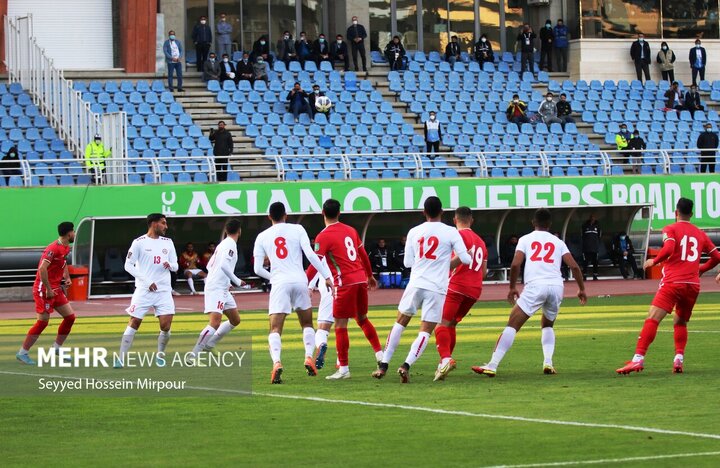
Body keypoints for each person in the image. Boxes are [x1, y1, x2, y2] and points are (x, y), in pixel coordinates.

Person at [472, 208, 586, 377]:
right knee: (547, 325)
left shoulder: (526, 239)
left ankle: (493, 364)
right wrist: (581, 289)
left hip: (536, 286)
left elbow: (516, 264)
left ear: (533, 223)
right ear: (550, 224)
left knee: (512, 324)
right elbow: (574, 266)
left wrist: (512, 287)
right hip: (556, 286)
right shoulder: (558, 242)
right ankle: (548, 362)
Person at [372, 196, 472, 383]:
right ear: (442, 212)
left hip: (416, 283)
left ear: (424, 212)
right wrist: (452, 259)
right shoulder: (451, 232)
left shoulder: (414, 231)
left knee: (400, 323)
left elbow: (407, 262)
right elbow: (466, 259)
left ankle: (384, 364)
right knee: (425, 330)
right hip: (437, 288)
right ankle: (406, 365)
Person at [616, 198, 720, 375]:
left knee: (652, 318)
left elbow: (670, 248)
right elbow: (717, 257)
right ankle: (678, 359)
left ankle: (637, 359)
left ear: (675, 212)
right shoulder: (700, 233)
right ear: (692, 214)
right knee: (680, 322)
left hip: (673, 282)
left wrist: (654, 261)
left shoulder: (670, 228)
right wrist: (700, 269)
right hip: (692, 285)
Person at [252, 202, 332, 384]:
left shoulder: (262, 236)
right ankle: (308, 356)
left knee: (275, 328)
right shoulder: (298, 229)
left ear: (269, 217)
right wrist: (326, 276)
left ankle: (277, 362)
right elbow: (311, 255)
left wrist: (273, 277)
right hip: (300, 280)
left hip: (280, 282)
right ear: (286, 215)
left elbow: (257, 268)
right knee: (306, 324)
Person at [305, 199, 383, 380]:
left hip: (344, 283)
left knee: (340, 325)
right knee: (362, 319)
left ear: (322, 213)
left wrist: (304, 281)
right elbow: (362, 254)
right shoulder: (351, 230)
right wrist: (370, 275)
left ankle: (344, 369)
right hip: (360, 280)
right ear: (339, 213)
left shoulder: (322, 236)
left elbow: (315, 264)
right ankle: (381, 356)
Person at [115, 213, 178, 368]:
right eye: (163, 223)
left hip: (163, 291)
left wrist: (169, 265)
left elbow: (176, 265)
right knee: (134, 321)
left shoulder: (168, 242)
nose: (166, 226)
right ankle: (121, 358)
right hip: (144, 290)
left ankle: (160, 355)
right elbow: (128, 265)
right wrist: (147, 281)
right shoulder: (138, 243)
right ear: (153, 224)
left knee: (166, 326)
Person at [433, 207, 487, 381]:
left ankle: (445, 359)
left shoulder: (456, 236)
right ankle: (445, 361)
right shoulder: (481, 241)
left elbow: (450, 262)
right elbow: (484, 271)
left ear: (455, 220)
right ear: (471, 220)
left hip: (457, 286)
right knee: (452, 324)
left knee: (440, 323)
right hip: (475, 290)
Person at [16, 222, 77, 365]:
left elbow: (63, 264)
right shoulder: (53, 249)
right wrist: (49, 289)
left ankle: (56, 348)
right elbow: (42, 269)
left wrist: (66, 277)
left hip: (55, 289)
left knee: (70, 317)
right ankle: (22, 352)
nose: (74, 234)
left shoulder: (65, 247)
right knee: (42, 322)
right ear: (69, 234)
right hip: (44, 289)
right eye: (73, 231)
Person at [188, 219, 246, 360]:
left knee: (235, 320)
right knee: (215, 322)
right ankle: (194, 353)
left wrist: (226, 281)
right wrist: (237, 281)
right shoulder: (230, 245)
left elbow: (210, 266)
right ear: (239, 231)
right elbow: (224, 266)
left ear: (226, 231)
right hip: (216, 288)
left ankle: (210, 344)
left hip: (222, 287)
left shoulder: (223, 245)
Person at [581, 214, 601, 281]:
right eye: (591, 217)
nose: (593, 219)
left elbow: (599, 236)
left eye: (594, 217)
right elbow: (582, 236)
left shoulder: (598, 226)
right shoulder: (585, 226)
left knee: (595, 261)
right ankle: (584, 275)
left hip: (595, 247)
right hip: (586, 248)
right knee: (585, 262)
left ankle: (595, 275)